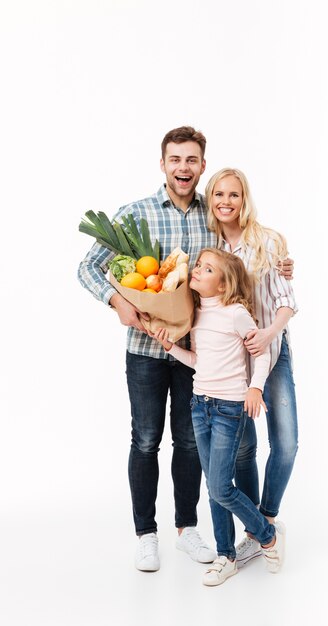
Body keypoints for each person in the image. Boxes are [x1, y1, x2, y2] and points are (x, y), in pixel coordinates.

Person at [77, 127, 219, 572]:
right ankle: (146, 534)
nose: (183, 168)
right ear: (162, 164)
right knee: (145, 440)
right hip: (143, 350)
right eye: (175, 159)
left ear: (202, 165)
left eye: (192, 160)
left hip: (196, 351)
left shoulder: (211, 217)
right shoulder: (134, 213)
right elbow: (87, 268)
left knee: (191, 441)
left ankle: (187, 529)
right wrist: (118, 301)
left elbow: (239, 257)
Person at [153, 248, 283, 586]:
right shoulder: (196, 315)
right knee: (214, 489)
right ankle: (226, 556)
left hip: (229, 408)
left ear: (223, 285)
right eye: (198, 265)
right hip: (200, 405)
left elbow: (262, 351)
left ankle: (266, 534)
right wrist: (171, 348)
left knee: (221, 487)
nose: (196, 270)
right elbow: (198, 360)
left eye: (207, 269)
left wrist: (255, 388)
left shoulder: (236, 313)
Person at [204, 168, 298, 568]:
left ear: (245, 199)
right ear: (211, 200)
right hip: (230, 363)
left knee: (287, 443)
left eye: (234, 194)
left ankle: (267, 517)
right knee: (244, 449)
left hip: (271, 350)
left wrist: (269, 331)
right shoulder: (208, 245)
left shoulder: (269, 241)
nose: (226, 201)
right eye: (219, 194)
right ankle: (254, 533)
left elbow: (287, 299)